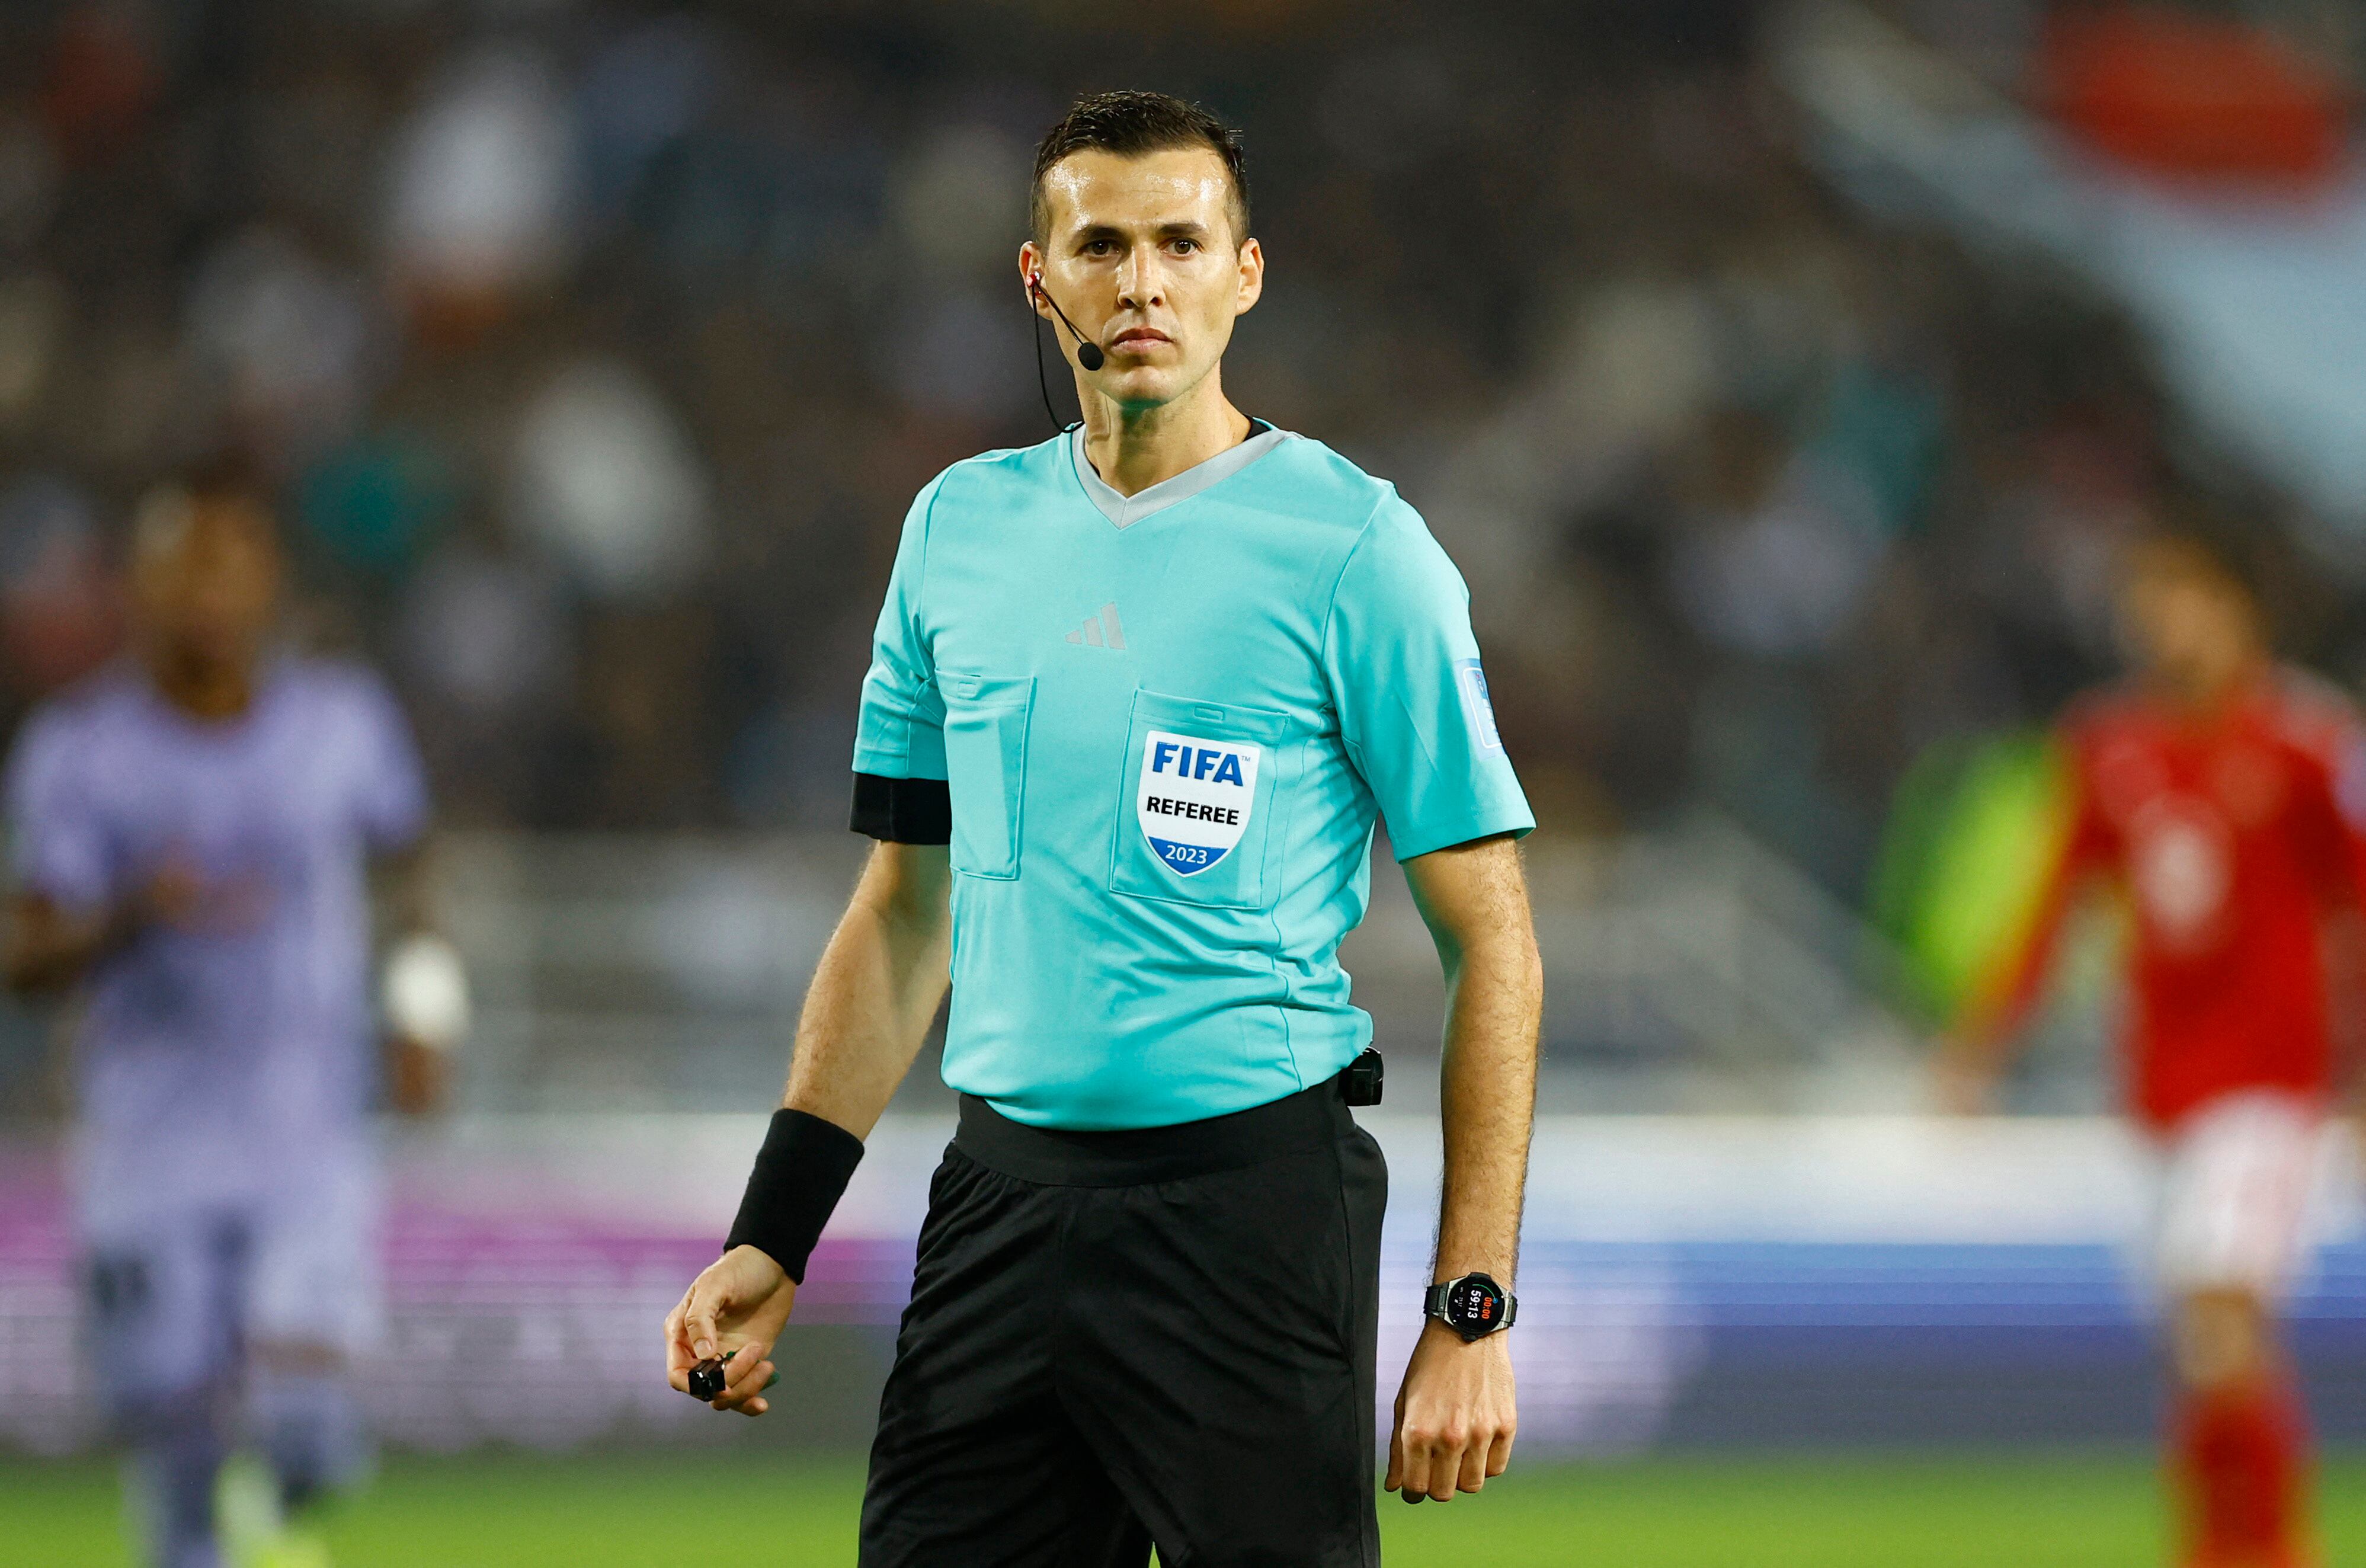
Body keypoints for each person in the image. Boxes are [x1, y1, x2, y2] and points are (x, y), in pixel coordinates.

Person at [663, 91, 1542, 1566]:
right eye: (1102, 245)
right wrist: (774, 1230)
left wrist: (1469, 1309)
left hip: (1250, 1219)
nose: (1141, 283)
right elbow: (901, 912)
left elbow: (1493, 938)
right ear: (1037, 275)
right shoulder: (955, 532)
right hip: (1000, 1207)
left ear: (1244, 275)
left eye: (1182, 244)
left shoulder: (1357, 549)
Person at [2, 471, 466, 1568]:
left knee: (307, 1422)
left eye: (230, 566)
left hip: (307, 1127)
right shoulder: (81, 750)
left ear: (267, 586)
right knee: (173, 1431)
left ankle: (285, 1508)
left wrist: (423, 1012)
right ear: (142, 592)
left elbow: (413, 876)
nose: (207, 594)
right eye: (183, 568)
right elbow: (25, 955)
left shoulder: (339, 724)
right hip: (148, 1136)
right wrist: (126, 917)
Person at [1938, 529, 2365, 1568]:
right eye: (2153, 604)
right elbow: (2055, 904)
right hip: (2160, 1085)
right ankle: (2215, 1541)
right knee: (2199, 1338)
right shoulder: (2108, 746)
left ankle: (2269, 1546)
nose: (2171, 626)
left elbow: (2353, 905)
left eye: (2191, 601)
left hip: (2268, 1083)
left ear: (2239, 612)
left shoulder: (2305, 742)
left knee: (2221, 1313)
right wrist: (1984, 1039)